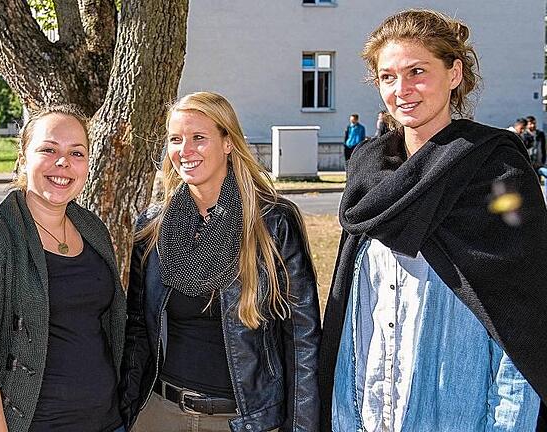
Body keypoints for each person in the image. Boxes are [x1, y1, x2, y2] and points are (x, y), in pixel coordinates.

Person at [319, 9, 546, 432]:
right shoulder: (368, 176)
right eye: (388, 77)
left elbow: (525, 325)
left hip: (459, 414)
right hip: (365, 413)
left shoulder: (496, 172)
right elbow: (352, 313)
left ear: (454, 73)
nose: (401, 90)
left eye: (417, 72)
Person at [120, 91, 320, 432]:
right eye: (175, 139)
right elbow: (138, 330)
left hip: (241, 420)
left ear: (228, 142)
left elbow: (302, 338)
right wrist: (124, 413)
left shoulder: (271, 222)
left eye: (199, 138)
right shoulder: (154, 226)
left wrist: (301, 426)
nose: (185, 151)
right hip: (159, 414)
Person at [0, 106, 127, 432]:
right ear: (23, 158)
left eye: (77, 153)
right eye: (48, 149)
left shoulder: (92, 229)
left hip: (109, 422)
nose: (63, 163)